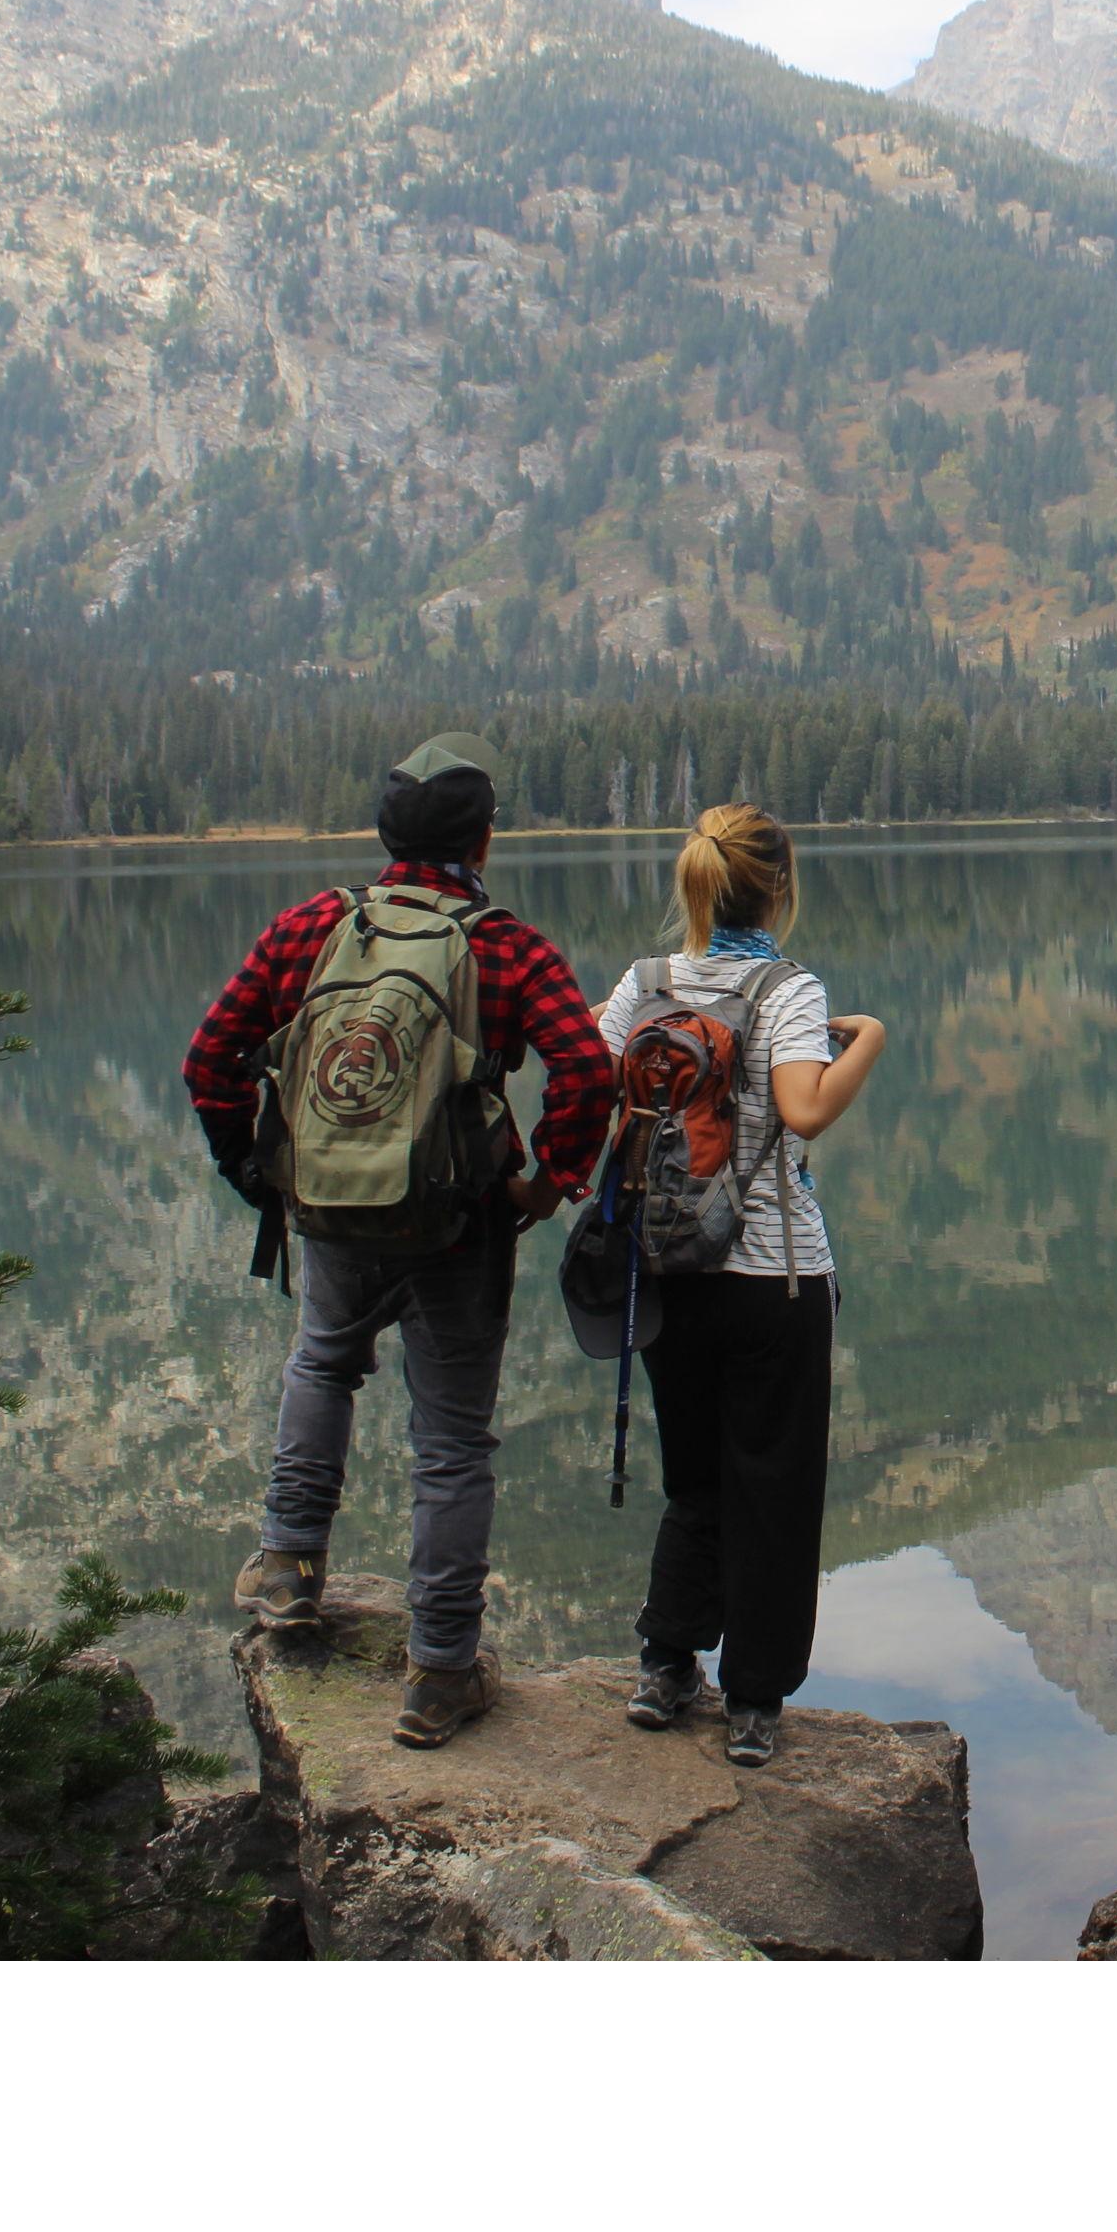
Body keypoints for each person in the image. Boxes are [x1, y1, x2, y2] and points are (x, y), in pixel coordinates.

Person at [181, 733, 615, 1749]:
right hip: (461, 1222)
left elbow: (212, 1056)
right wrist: (545, 1185)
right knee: (452, 1442)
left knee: (323, 1362)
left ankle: (288, 1568)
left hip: (329, 1210)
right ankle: (440, 1673)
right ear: (485, 838)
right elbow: (586, 1074)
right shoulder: (505, 944)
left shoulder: (311, 927)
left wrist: (258, 1170)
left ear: (385, 835)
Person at [593, 802, 883, 1766]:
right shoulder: (790, 990)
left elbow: (588, 1086)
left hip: (669, 1271)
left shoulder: (646, 984)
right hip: (775, 1279)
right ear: (779, 888)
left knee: (696, 1478)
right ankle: (754, 1704)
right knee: (776, 1483)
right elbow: (803, 1114)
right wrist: (869, 1043)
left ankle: (665, 1665)